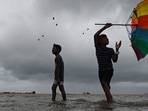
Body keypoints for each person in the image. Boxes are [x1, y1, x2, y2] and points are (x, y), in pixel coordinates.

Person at [94, 23, 121, 102]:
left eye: (107, 38)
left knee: (104, 83)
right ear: (100, 41)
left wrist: (117, 50)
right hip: (101, 71)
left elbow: (115, 60)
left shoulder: (110, 50)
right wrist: (105, 27)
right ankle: (110, 101)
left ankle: (109, 102)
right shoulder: (97, 47)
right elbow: (95, 35)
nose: (107, 39)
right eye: (105, 38)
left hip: (109, 69)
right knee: (105, 88)